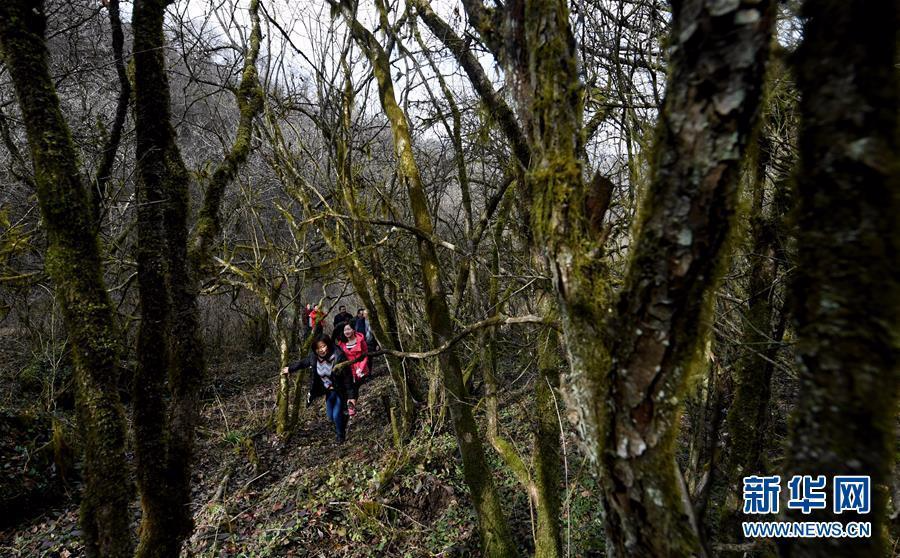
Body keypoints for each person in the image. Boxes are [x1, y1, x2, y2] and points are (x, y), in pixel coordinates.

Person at [281, 335, 356, 444]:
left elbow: (348, 378)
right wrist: (290, 368)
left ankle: (341, 436)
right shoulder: (314, 357)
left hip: (340, 390)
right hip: (328, 391)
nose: (321, 350)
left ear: (328, 345)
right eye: (318, 348)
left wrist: (351, 397)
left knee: (336, 415)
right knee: (330, 416)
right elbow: (303, 363)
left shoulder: (338, 356)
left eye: (323, 346)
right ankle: (343, 418)